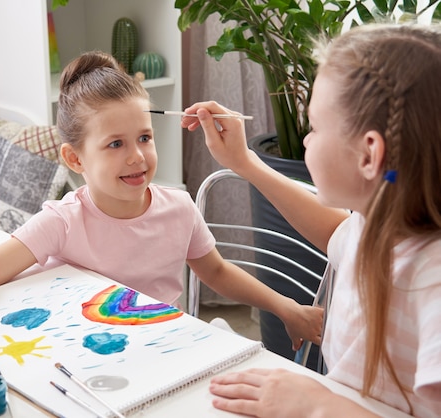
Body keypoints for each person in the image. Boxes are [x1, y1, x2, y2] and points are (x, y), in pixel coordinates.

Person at [0, 51, 321, 351]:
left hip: (161, 347)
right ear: (75, 158)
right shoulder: (64, 220)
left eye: (144, 138)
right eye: (115, 144)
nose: (137, 156)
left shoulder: (180, 208)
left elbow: (218, 272)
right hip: (80, 356)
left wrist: (286, 308)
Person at [181, 23, 441, 417]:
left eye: (315, 128)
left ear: (369, 155)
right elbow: (337, 232)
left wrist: (316, 405)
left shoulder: (432, 281)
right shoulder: (375, 222)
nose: (305, 140)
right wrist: (244, 163)